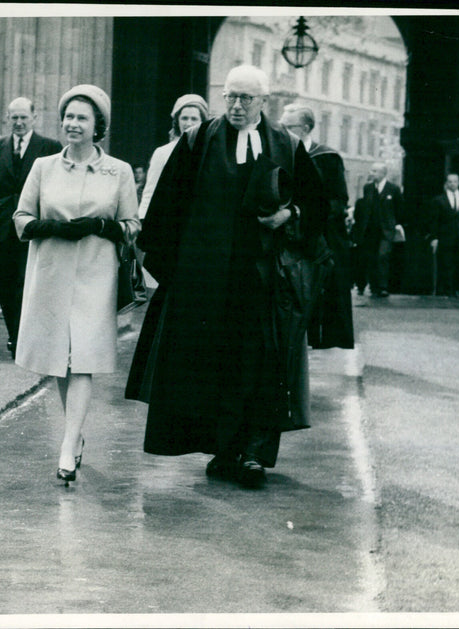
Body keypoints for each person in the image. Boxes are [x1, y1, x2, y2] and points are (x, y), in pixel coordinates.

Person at [126, 65, 330, 487]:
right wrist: (172, 275)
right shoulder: (197, 141)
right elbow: (166, 209)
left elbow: (319, 208)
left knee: (262, 366)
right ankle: (224, 451)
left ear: (263, 101)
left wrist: (287, 215)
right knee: (213, 368)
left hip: (264, 284)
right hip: (206, 285)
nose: (236, 106)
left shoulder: (287, 145)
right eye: (230, 97)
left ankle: (253, 453)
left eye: (246, 99)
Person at [12, 84, 140, 483]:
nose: (73, 123)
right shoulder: (43, 167)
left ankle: (68, 445)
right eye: (68, 116)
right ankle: (75, 434)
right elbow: (19, 218)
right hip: (51, 271)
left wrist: (104, 225)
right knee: (60, 361)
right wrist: (48, 227)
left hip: (95, 275)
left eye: (82, 117)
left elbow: (133, 225)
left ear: (97, 125)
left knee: (81, 358)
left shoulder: (117, 171)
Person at [0, 97, 62, 358]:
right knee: (5, 282)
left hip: (33, 225)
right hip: (1, 226)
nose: (18, 122)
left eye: (23, 117)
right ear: (7, 118)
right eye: (14, 117)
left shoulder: (50, 146)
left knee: (26, 282)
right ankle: (14, 336)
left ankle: (28, 337)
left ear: (34, 117)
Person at [280, 105, 353, 349]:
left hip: (321, 236)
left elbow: (338, 201)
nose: (283, 131)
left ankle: (324, 341)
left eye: (289, 127)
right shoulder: (280, 154)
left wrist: (306, 217)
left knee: (324, 289)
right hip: (287, 234)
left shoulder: (327, 157)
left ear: (306, 128)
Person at [138, 93, 209, 219]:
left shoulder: (210, 151)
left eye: (194, 119)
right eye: (184, 118)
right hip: (170, 218)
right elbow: (150, 192)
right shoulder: (163, 153)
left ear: (202, 122)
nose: (188, 123)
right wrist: (143, 221)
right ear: (177, 121)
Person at [351, 162, 404, 297]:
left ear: (383, 173)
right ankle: (373, 286)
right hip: (369, 230)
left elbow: (400, 209)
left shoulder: (393, 189)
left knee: (383, 256)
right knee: (370, 257)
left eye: (374, 171)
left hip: (386, 230)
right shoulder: (368, 188)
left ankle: (383, 286)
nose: (371, 173)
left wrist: (395, 224)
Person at [427, 173, 459, 298]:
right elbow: (434, 220)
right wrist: (434, 237)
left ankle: (456, 288)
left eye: (455, 181)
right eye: (450, 182)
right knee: (446, 264)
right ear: (446, 183)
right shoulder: (438, 200)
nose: (453, 184)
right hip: (445, 236)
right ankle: (447, 289)